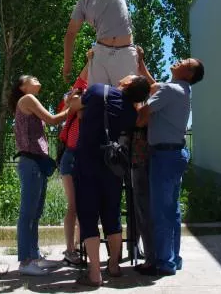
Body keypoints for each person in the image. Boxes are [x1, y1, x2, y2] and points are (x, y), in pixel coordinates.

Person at [65, 75, 152, 287]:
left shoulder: (97, 90)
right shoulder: (132, 112)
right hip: (114, 165)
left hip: (87, 162)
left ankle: (95, 273)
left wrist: (73, 97)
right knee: (112, 214)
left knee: (88, 216)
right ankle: (114, 265)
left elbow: (73, 105)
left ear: (127, 84)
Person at [136, 57, 205, 277]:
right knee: (172, 210)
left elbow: (143, 115)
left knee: (161, 212)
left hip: (164, 156)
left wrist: (129, 100)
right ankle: (174, 257)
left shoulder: (170, 89)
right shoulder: (180, 89)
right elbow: (156, 86)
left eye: (186, 62)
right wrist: (142, 64)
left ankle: (164, 263)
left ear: (189, 74)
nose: (180, 60)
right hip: (176, 153)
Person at [10, 75, 71, 276]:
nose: (37, 79)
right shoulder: (27, 99)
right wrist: (75, 108)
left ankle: (33, 256)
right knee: (28, 214)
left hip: (36, 163)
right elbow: (53, 120)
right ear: (22, 87)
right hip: (31, 162)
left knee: (34, 214)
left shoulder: (30, 101)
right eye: (32, 78)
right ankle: (25, 261)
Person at [55, 52, 92, 267]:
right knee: (73, 205)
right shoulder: (71, 99)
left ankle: (79, 245)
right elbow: (78, 84)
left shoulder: (93, 102)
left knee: (85, 204)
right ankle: (71, 249)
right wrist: (91, 60)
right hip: (71, 156)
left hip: (86, 157)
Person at [130, 47, 157, 272]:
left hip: (141, 163)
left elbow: (153, 86)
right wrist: (140, 61)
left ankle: (149, 256)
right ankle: (140, 250)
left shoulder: (143, 111)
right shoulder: (146, 107)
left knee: (142, 209)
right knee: (140, 209)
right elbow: (153, 85)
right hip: (143, 163)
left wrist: (140, 63)